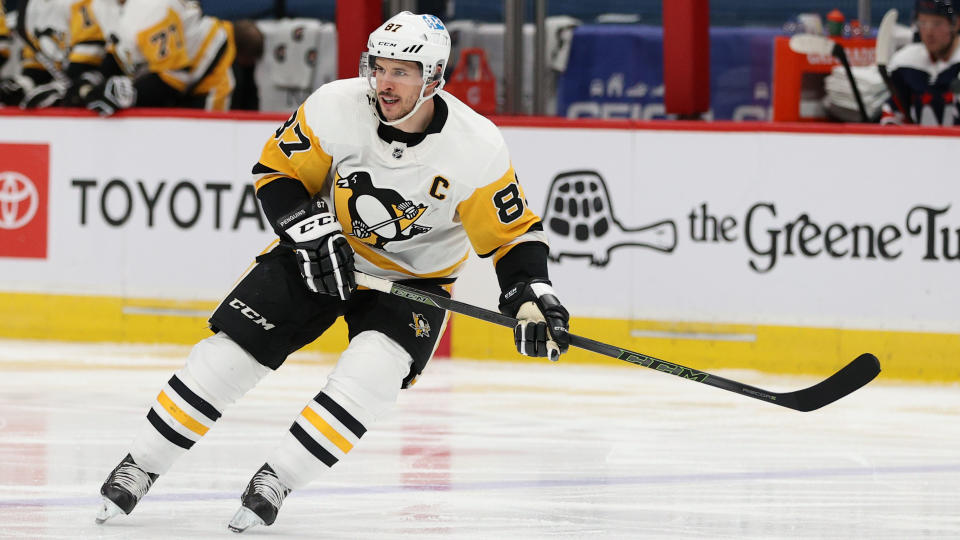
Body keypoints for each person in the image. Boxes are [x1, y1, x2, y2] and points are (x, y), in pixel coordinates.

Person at [94, 10, 571, 534]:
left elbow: (512, 235)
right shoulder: (334, 106)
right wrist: (307, 227)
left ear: (433, 77)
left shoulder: (476, 147)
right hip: (322, 249)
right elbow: (277, 172)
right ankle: (140, 464)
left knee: (370, 376)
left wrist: (529, 297)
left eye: (403, 71)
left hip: (416, 281)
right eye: (379, 66)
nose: (385, 83)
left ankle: (277, 478)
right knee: (228, 356)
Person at [78, 0, 238, 115]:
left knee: (207, 148)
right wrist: (92, 81)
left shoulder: (153, 6)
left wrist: (130, 93)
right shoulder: (103, 6)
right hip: (174, 74)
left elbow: (174, 79)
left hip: (211, 70)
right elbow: (120, 50)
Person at [0, 0, 113, 108]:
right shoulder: (29, 6)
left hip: (101, 87)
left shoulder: (83, 3)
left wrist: (65, 88)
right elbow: (39, 63)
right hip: (68, 85)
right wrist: (27, 84)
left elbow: (87, 62)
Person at [881, 0, 960, 125]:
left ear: (956, 24)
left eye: (937, 23)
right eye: (922, 23)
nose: (928, 33)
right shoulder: (905, 63)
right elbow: (893, 115)